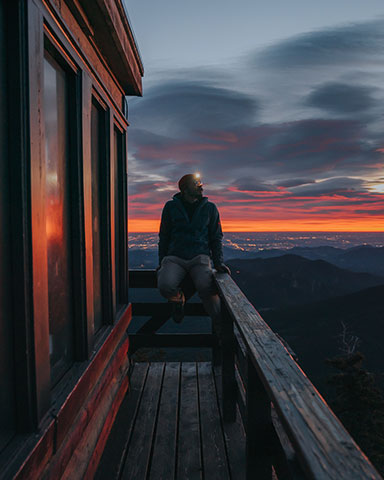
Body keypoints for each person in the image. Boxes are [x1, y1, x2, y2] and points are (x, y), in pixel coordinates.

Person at [157, 173, 230, 327]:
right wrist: (162, 260)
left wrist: (218, 263)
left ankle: (220, 327)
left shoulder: (210, 208)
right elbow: (164, 235)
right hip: (175, 257)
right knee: (165, 285)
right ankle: (178, 299)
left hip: (200, 257)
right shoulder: (170, 207)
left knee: (207, 288)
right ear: (184, 188)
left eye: (200, 182)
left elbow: (215, 237)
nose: (200, 185)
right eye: (195, 183)